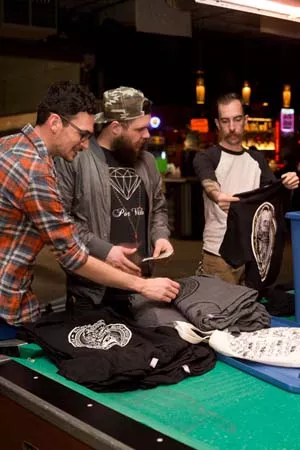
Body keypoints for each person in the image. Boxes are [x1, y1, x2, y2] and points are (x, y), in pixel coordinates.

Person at [0, 81, 179, 327]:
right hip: (7, 297)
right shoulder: (37, 172)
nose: (85, 144)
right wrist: (142, 285)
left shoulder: (10, 145)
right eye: (82, 134)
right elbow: (72, 255)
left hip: (17, 291)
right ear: (54, 123)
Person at [55, 86, 174, 310]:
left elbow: (158, 208)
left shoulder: (147, 161)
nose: (147, 135)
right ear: (116, 127)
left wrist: (161, 236)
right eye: (140, 129)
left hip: (140, 287)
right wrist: (105, 250)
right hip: (92, 292)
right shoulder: (76, 159)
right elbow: (63, 223)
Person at [193, 92, 299, 285]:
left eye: (237, 119)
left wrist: (287, 184)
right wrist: (217, 195)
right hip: (219, 255)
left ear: (246, 120)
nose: (232, 127)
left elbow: (271, 194)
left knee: (249, 312)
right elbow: (208, 181)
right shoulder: (206, 157)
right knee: (220, 313)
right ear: (217, 123)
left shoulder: (257, 159)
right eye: (225, 121)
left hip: (252, 255)